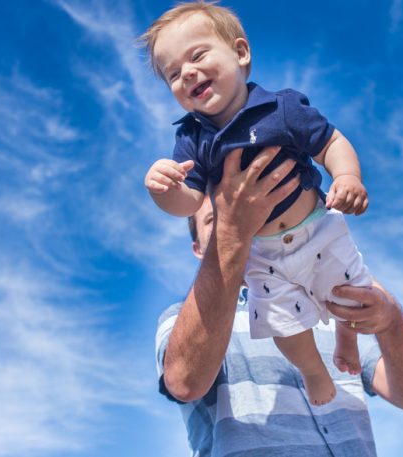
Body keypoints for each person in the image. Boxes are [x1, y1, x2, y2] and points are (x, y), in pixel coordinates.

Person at [142, 1, 374, 405]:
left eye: (197, 56)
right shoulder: (192, 139)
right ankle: (314, 373)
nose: (188, 74)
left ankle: (348, 343)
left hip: (316, 228)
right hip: (263, 254)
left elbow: (331, 143)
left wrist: (348, 177)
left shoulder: (281, 108)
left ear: (241, 52)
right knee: (282, 324)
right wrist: (164, 190)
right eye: (174, 74)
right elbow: (190, 201)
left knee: (352, 291)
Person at [154, 146, 403, 456]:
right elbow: (185, 383)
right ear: (197, 248)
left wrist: (391, 321)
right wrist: (231, 232)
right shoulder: (179, 318)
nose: (243, 220)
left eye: (250, 212)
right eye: (214, 221)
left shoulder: (324, 297)